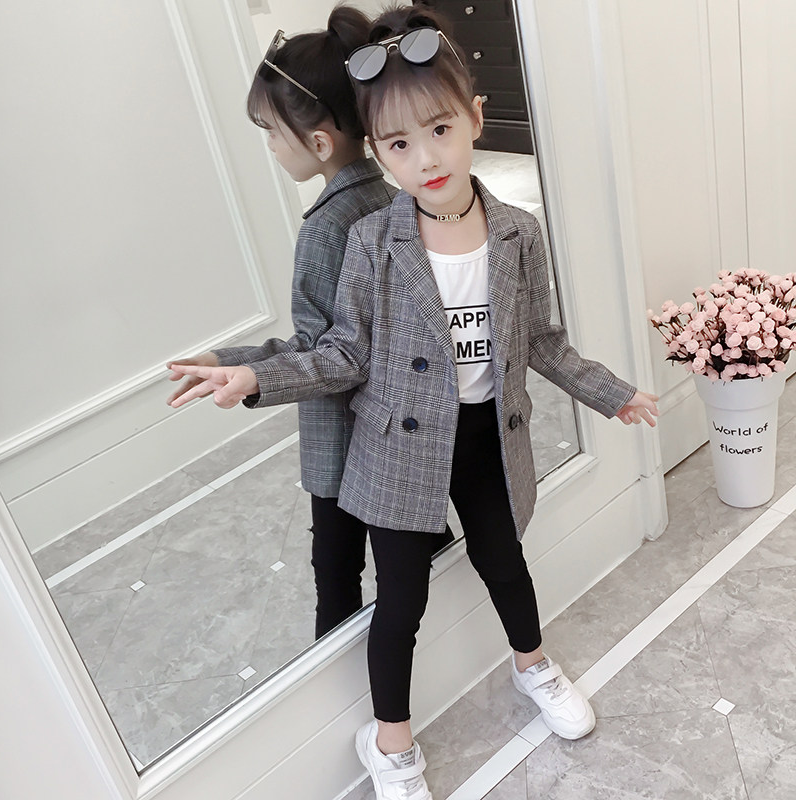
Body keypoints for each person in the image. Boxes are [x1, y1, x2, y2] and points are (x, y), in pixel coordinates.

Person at [168, 5, 659, 798]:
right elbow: (344, 354)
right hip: (398, 451)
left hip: (488, 437)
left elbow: (542, 342)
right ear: (375, 148)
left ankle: (533, 666)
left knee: (505, 564)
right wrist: (253, 377)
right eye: (398, 143)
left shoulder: (518, 233)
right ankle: (389, 742)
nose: (424, 157)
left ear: (474, 118)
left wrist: (613, 393)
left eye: (439, 129)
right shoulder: (371, 242)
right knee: (401, 600)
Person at [166, 5, 455, 642]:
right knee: (424, 542)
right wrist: (230, 359)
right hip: (406, 422)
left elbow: (326, 353)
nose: (271, 148)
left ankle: (346, 678)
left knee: (337, 572)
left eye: (272, 134)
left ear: (319, 142)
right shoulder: (393, 198)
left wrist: (243, 370)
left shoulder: (329, 226)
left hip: (349, 435)